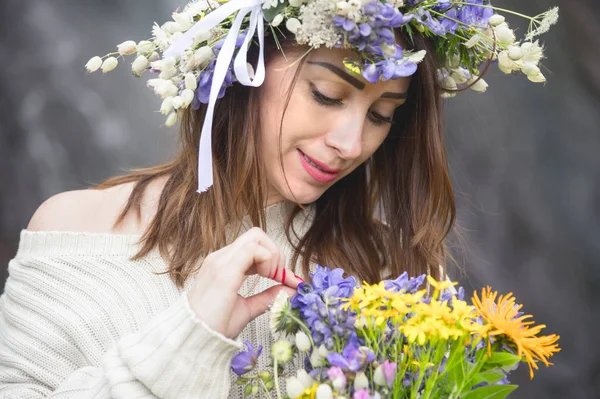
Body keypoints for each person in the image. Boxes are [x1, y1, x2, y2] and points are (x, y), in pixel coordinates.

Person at [0, 0, 556, 398]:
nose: (350, 143)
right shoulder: (77, 232)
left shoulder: (396, 272)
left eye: (382, 114)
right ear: (245, 63)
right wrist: (190, 335)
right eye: (327, 93)